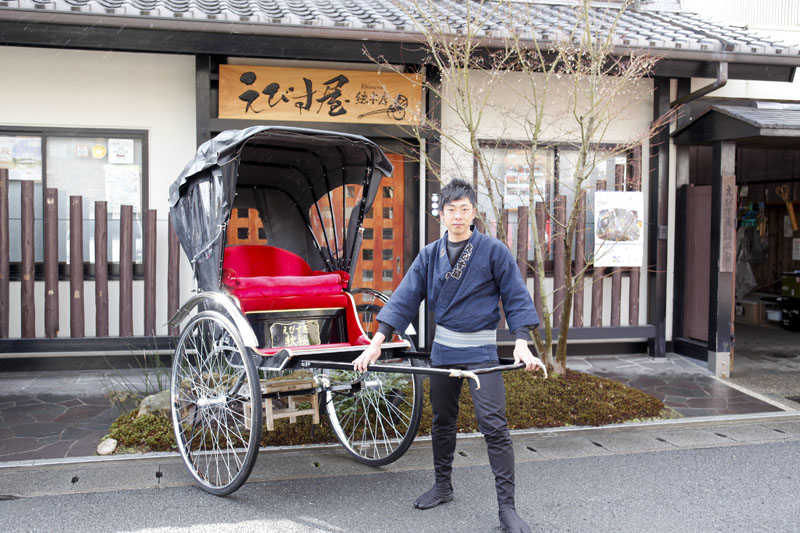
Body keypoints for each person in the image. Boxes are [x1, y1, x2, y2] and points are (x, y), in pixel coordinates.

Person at [353, 178, 545, 533]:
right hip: (444, 350)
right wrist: (377, 340)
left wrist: (521, 341)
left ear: (474, 213)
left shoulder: (493, 250)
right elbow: (405, 297)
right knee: (443, 420)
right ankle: (443, 485)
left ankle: (507, 508)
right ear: (441, 214)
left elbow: (515, 296)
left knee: (495, 427)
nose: (458, 216)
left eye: (464, 209)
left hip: (482, 351)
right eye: (451, 209)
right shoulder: (429, 254)